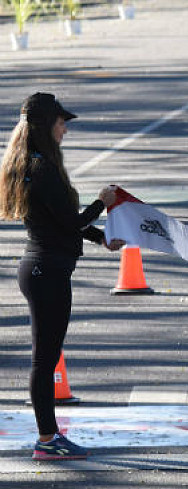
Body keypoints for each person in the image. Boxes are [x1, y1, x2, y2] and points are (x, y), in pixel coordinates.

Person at [0, 93, 124, 461]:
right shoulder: (42, 169)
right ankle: (47, 439)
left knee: (47, 358)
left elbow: (61, 221)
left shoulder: (35, 164)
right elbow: (70, 221)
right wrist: (102, 202)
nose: (65, 129)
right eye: (60, 123)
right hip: (46, 272)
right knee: (44, 361)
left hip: (44, 269)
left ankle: (48, 437)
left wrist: (101, 238)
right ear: (45, 126)